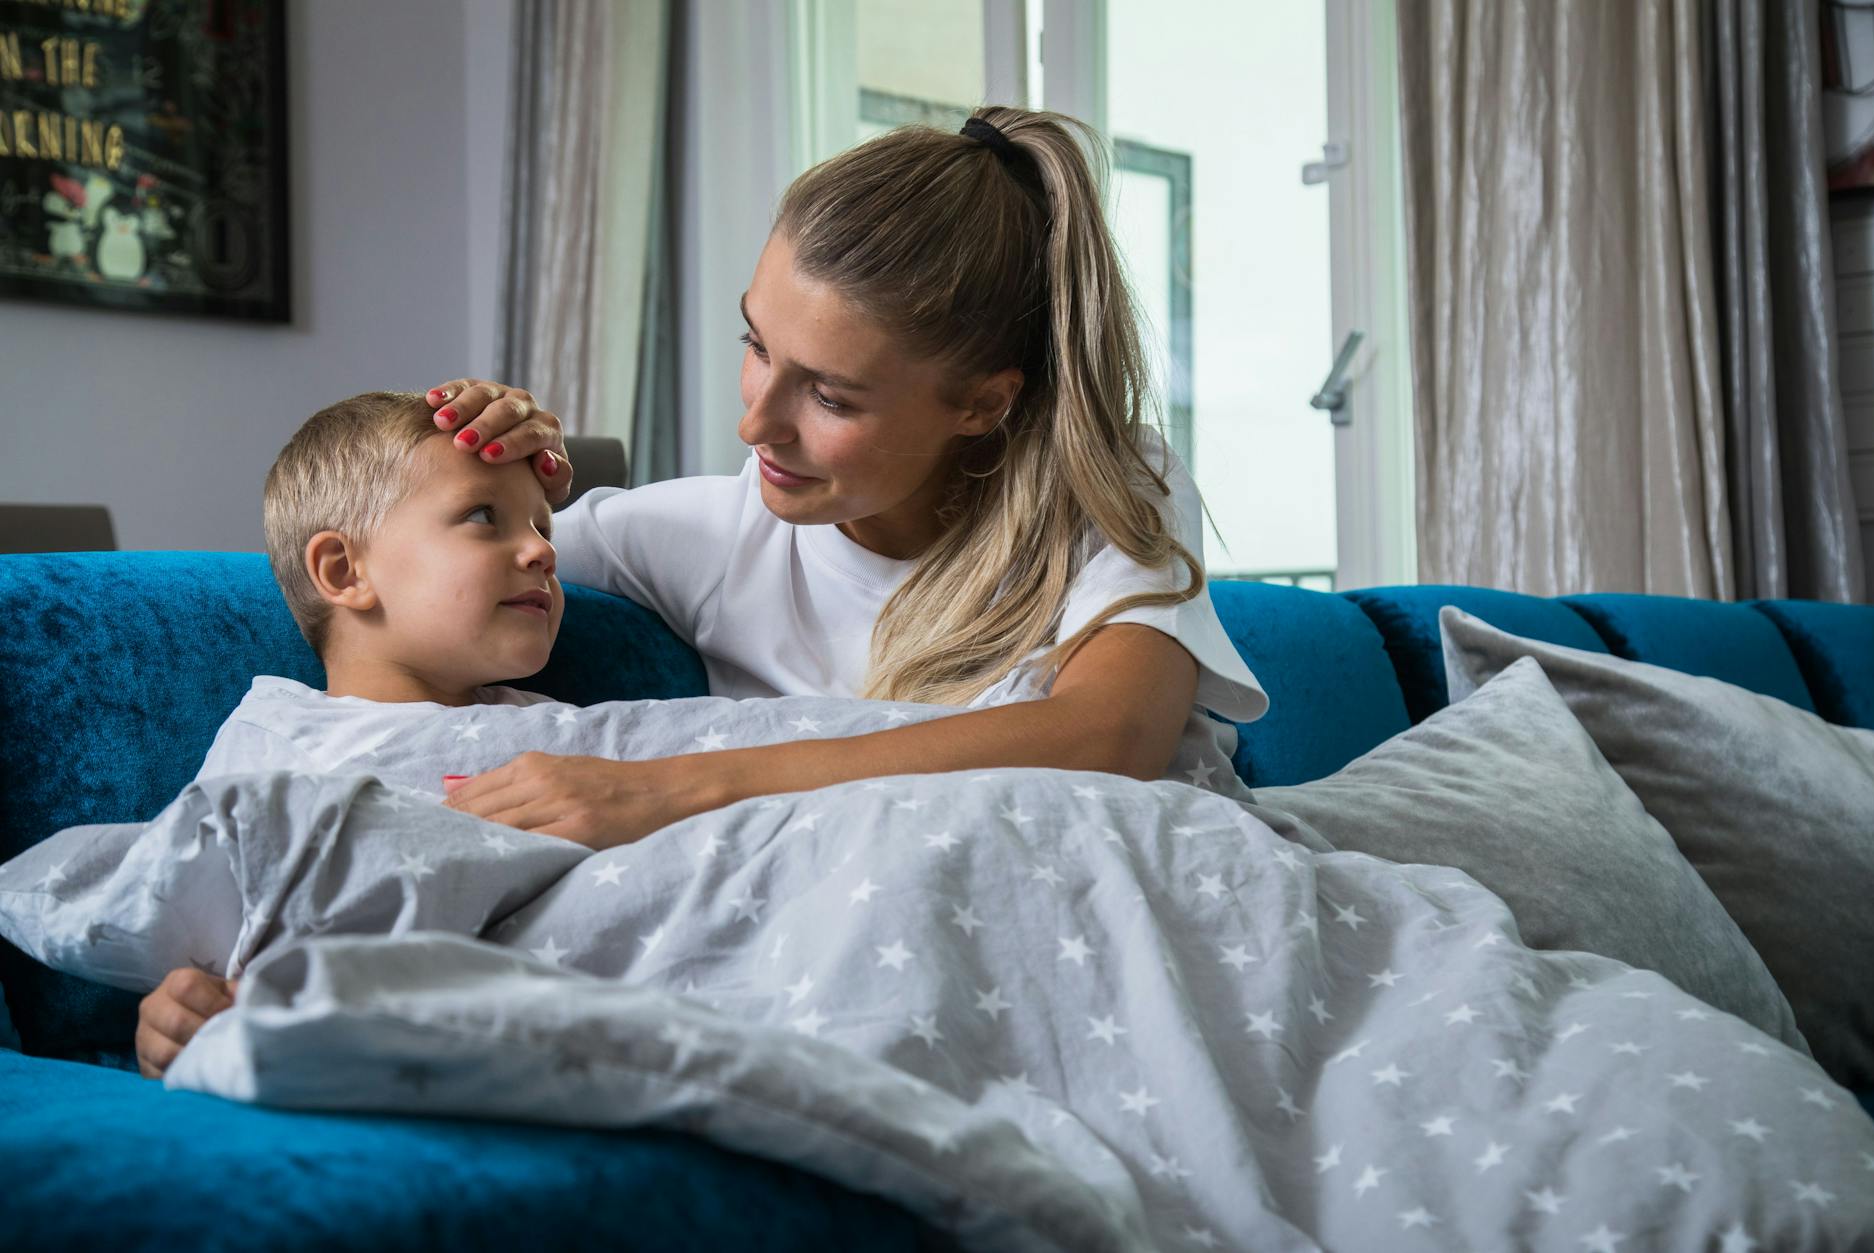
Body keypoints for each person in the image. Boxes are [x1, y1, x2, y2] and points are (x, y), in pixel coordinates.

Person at [419, 106, 1269, 848]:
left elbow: (1109, 737)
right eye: (756, 345)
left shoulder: (1111, 487)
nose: (754, 425)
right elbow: (412, 560)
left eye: (829, 394)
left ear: (981, 402)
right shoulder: (708, 539)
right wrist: (492, 470)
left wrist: (674, 786)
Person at [138, 389, 566, 1079]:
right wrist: (172, 1014)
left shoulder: (554, 728)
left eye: (546, 528)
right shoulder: (276, 740)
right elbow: (201, 939)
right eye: (485, 516)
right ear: (344, 570)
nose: (541, 551)